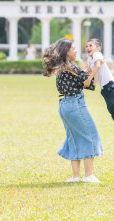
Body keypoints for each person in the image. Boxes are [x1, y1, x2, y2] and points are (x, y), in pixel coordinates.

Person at [42, 38, 103, 183]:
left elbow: (86, 80)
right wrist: (97, 67)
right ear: (66, 52)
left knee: (74, 139)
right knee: (90, 136)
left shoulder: (64, 67)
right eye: (73, 49)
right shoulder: (71, 67)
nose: (76, 51)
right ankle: (88, 176)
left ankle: (76, 177)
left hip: (64, 105)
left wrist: (91, 69)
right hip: (75, 104)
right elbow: (88, 82)